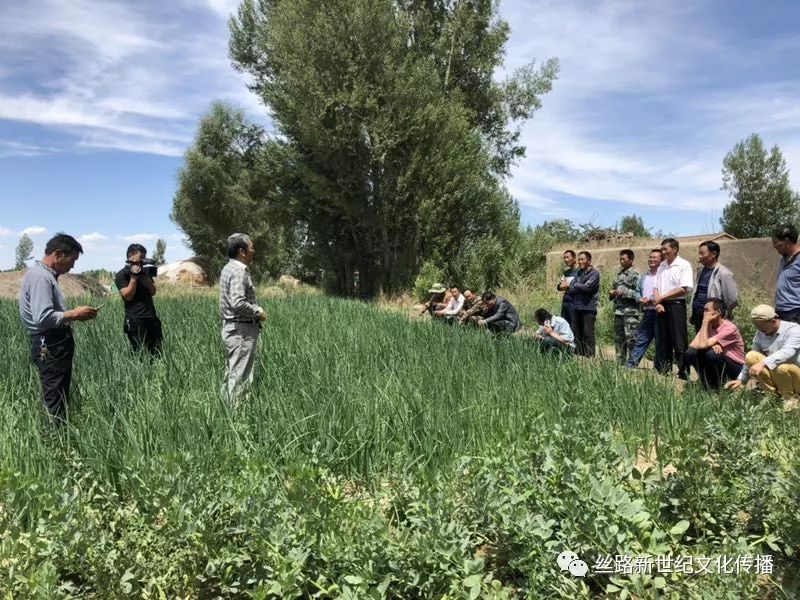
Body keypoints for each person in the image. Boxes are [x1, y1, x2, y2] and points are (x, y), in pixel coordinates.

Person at [18, 233, 98, 419]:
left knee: (57, 393)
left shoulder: (43, 275)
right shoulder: (41, 277)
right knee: (54, 397)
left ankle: (57, 434)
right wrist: (75, 314)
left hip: (51, 341)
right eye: (72, 260)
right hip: (50, 343)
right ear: (58, 254)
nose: (72, 266)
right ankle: (54, 439)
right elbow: (43, 317)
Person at [219, 233, 267, 405]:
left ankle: (226, 411)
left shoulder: (228, 268)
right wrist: (258, 312)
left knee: (232, 372)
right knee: (240, 375)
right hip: (242, 330)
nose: (254, 251)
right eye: (252, 248)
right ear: (242, 251)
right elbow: (238, 302)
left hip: (232, 328)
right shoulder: (239, 271)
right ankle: (237, 417)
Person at [725, 305, 800, 407]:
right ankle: (771, 395)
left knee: (781, 366)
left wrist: (763, 362)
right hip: (777, 374)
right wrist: (741, 380)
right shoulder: (760, 333)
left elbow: (788, 352)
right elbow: (750, 359)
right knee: (751, 356)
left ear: (773, 321)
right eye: (757, 327)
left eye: (762, 327)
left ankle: (790, 397)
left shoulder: (794, 330)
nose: (759, 330)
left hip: (795, 374)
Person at [654, 238, 694, 379]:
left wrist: (662, 297)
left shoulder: (683, 265)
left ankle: (683, 372)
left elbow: (683, 289)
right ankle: (664, 370)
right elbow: (656, 287)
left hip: (676, 305)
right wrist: (658, 302)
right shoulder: (662, 266)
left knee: (679, 340)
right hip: (661, 305)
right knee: (663, 339)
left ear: (675, 249)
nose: (663, 252)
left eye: (666, 249)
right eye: (662, 249)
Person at [684, 298, 745, 390]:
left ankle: (718, 385)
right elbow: (693, 345)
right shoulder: (709, 325)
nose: (703, 313)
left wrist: (704, 323)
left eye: (706, 310)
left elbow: (702, 345)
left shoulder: (730, 328)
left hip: (735, 365)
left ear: (717, 312)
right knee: (691, 353)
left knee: (711, 354)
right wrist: (713, 344)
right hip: (721, 360)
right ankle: (705, 380)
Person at [115, 244, 163, 356]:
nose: (143, 260)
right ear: (130, 256)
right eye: (140, 257)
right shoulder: (122, 274)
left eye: (144, 257)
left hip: (151, 317)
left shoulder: (144, 273)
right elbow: (127, 296)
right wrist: (133, 279)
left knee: (157, 352)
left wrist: (143, 276)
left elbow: (153, 291)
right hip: (135, 319)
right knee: (139, 353)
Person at [690, 241, 738, 333]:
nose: (699, 256)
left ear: (713, 254)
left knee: (713, 344)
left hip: (713, 317)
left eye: (702, 253)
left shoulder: (724, 273)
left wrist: (721, 313)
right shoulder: (701, 270)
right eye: (699, 253)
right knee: (700, 343)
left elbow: (732, 298)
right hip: (699, 315)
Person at [627, 249, 663, 369]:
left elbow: (663, 291)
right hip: (648, 312)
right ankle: (631, 365)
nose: (652, 259)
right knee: (641, 338)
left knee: (660, 341)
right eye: (650, 257)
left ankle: (659, 368)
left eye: (655, 258)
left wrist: (651, 299)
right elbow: (638, 291)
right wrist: (640, 299)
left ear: (661, 260)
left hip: (660, 311)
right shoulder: (644, 276)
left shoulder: (662, 275)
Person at [610, 249, 641, 365]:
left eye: (624, 259)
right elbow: (615, 288)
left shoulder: (636, 274)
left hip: (630, 312)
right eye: (620, 259)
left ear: (631, 260)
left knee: (631, 339)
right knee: (619, 338)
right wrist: (612, 293)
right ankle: (620, 362)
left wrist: (625, 293)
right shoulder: (619, 274)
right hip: (618, 311)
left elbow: (639, 293)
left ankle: (632, 364)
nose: (621, 261)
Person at [567, 251, 600, 357]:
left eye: (582, 259)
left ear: (589, 261)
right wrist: (577, 286)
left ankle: (590, 355)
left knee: (588, 333)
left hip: (588, 307)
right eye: (579, 259)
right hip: (577, 307)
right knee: (576, 332)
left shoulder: (594, 273)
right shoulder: (578, 273)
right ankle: (579, 354)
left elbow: (588, 287)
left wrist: (576, 286)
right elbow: (570, 289)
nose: (580, 261)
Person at [772, 224, 800, 324]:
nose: (774, 246)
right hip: (780, 312)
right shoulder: (782, 259)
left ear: (786, 242)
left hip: (795, 313)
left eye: (776, 243)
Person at [556, 250, 580, 328]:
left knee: (575, 327)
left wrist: (568, 286)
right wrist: (560, 287)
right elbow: (560, 286)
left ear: (574, 258)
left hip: (576, 303)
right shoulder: (566, 273)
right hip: (566, 303)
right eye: (564, 258)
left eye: (567, 257)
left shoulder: (580, 271)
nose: (565, 260)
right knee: (565, 326)